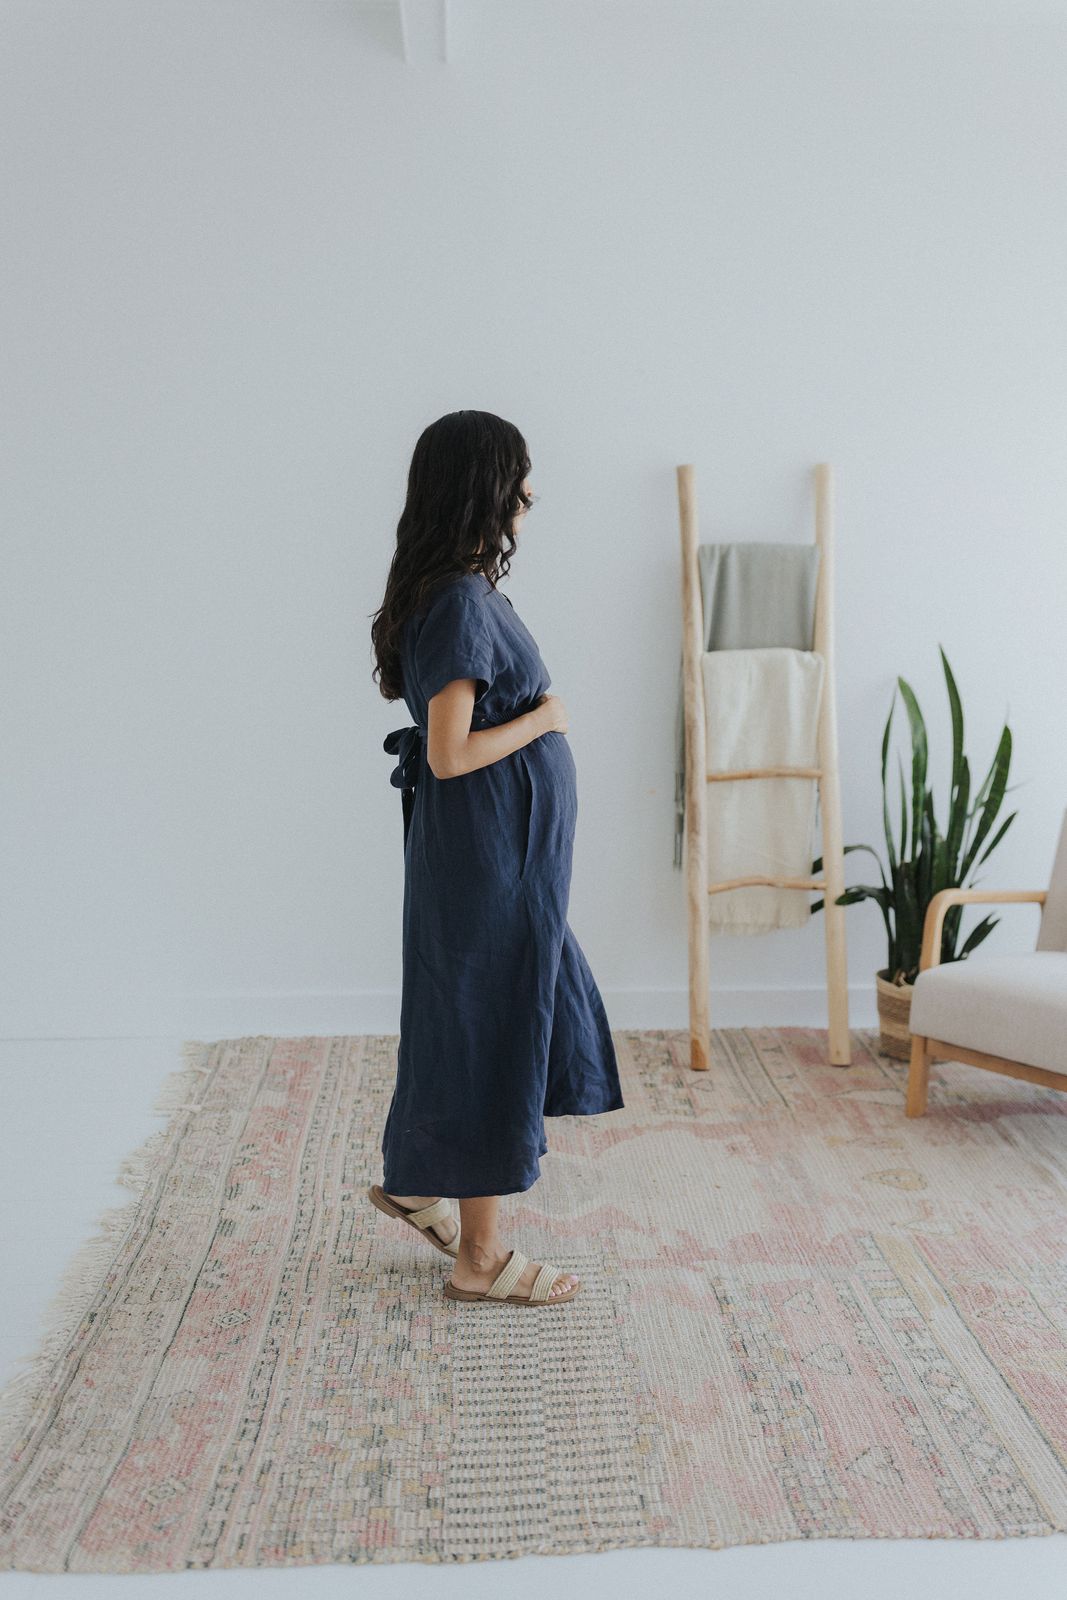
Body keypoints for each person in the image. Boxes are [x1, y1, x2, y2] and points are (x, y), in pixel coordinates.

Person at [368, 410, 624, 1307]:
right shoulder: (460, 601)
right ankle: (478, 1260)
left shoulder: (453, 590)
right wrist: (545, 719)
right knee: (488, 1021)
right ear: (480, 486)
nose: (527, 496)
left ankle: (414, 1181)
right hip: (487, 857)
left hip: (499, 854)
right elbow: (449, 753)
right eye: (515, 478)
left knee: (482, 1010)